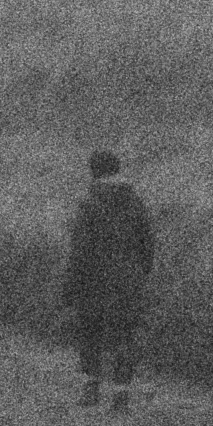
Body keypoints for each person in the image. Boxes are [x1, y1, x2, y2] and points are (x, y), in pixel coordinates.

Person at [60, 148, 155, 407]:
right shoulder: (136, 202)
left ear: (93, 171)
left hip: (94, 278)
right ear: (117, 170)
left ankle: (91, 389)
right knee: (126, 333)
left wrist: (70, 286)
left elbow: (79, 250)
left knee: (90, 331)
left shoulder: (89, 202)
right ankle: (121, 394)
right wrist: (137, 274)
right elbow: (148, 247)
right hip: (128, 278)